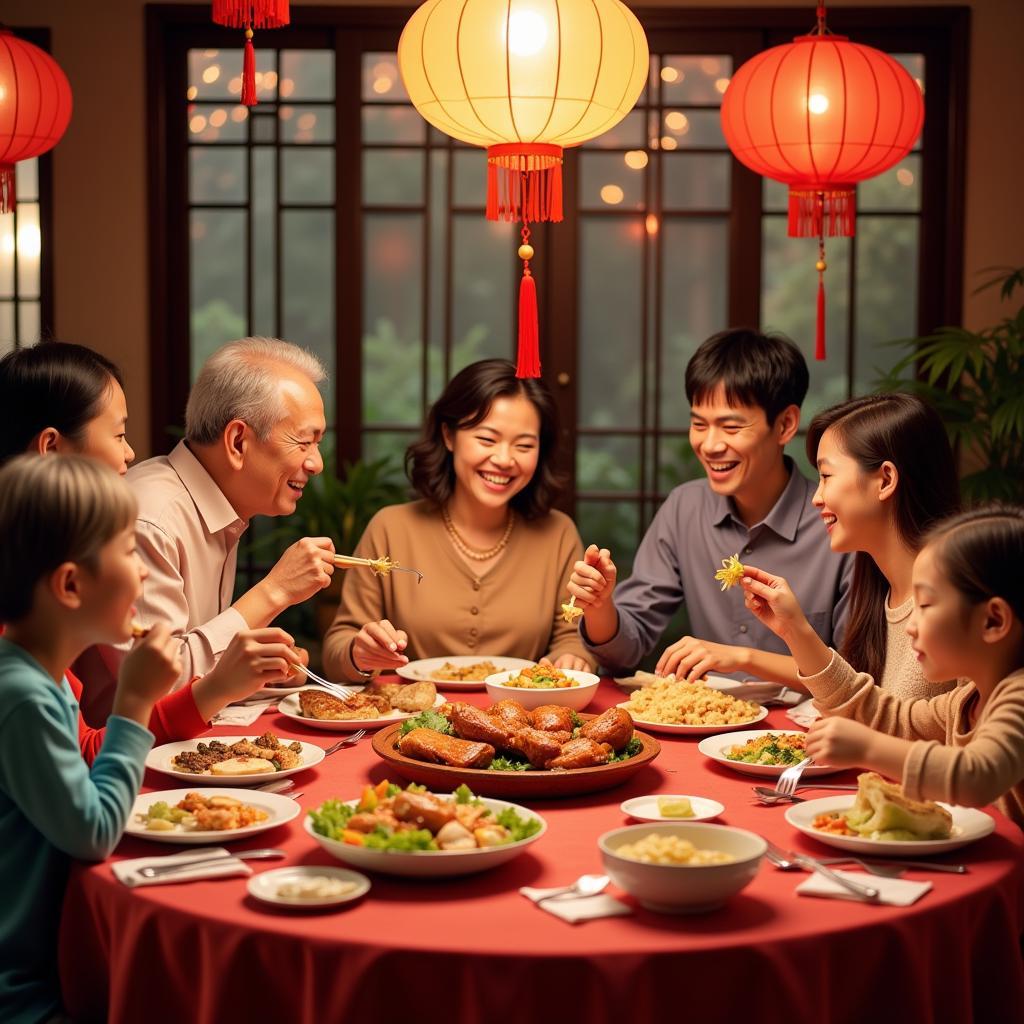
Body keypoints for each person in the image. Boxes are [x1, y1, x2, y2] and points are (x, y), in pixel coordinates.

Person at [0, 341, 306, 757]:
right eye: (119, 434)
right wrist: (274, 593)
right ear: (52, 449)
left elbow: (80, 746)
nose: (130, 454)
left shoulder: (31, 579)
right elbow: (82, 794)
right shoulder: (147, 516)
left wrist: (232, 678)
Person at [567, 328, 852, 680]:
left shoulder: (837, 523)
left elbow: (855, 679)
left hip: (807, 730)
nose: (710, 444)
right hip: (707, 726)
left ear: (785, 425)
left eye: (730, 427)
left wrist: (744, 659)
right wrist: (599, 607)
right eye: (699, 424)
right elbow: (625, 649)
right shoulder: (684, 507)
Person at [76, 337, 336, 719]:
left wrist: (256, 668)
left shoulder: (220, 507)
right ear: (237, 441)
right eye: (303, 442)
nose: (316, 464)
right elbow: (157, 687)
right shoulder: (150, 517)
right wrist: (275, 591)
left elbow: (195, 673)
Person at [0, 456, 173, 1021]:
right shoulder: (20, 694)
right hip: (24, 991)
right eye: (129, 552)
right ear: (71, 584)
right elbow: (93, 831)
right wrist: (135, 702)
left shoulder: (46, 677)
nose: (143, 572)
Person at [651, 392, 962, 696]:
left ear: (884, 480)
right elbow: (871, 707)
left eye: (827, 476)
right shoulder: (882, 588)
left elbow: (904, 726)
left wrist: (752, 654)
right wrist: (792, 628)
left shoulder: (949, 603)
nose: (816, 497)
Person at [740, 505, 1024, 829]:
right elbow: (888, 719)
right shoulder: (965, 701)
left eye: (926, 605)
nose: (911, 625)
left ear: (993, 620)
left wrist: (868, 748)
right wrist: (794, 630)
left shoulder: (1018, 695)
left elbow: (976, 776)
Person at [321, 359, 593, 681]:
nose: (504, 460)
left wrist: (572, 657)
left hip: (519, 723)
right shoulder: (390, 529)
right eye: (487, 440)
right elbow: (338, 647)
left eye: (524, 446)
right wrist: (359, 652)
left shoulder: (557, 534)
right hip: (413, 722)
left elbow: (571, 635)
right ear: (449, 435)